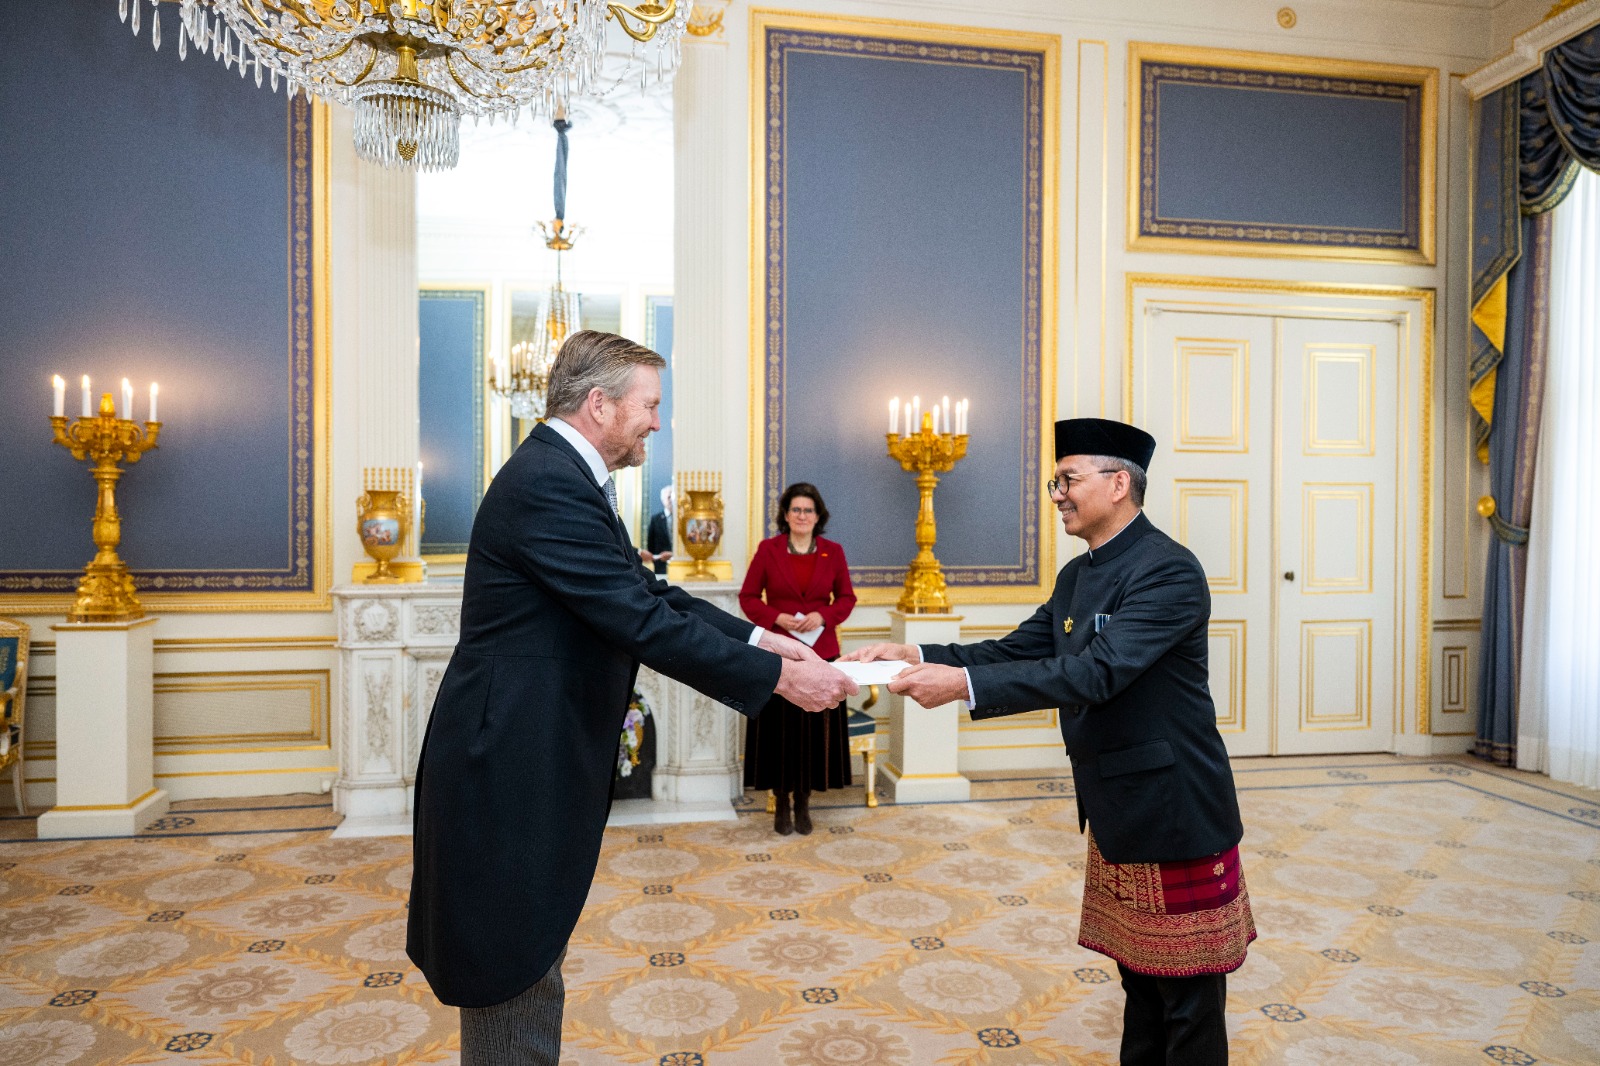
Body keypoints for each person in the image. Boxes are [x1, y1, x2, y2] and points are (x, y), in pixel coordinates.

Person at [407, 331, 856, 1065]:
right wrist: (782, 678)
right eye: (650, 406)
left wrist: (760, 642)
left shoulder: (561, 474)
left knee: (527, 955)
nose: (657, 422)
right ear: (599, 404)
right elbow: (638, 619)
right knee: (511, 962)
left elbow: (647, 591)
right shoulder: (549, 481)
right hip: (508, 760)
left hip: (526, 749)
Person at [844, 417, 1254, 1066]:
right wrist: (916, 650)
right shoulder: (1078, 575)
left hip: (1175, 810)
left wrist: (961, 686)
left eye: (1069, 479)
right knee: (1139, 982)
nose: (1057, 492)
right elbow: (1014, 651)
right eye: (1054, 480)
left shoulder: (1168, 571)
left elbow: (1097, 672)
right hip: (1119, 807)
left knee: (1189, 1001)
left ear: (1119, 483)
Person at [739, 483, 858, 835]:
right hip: (778, 654)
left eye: (808, 510)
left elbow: (846, 599)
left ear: (818, 516)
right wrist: (775, 617)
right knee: (779, 731)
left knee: (812, 733)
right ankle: (781, 802)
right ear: (785, 515)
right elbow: (748, 597)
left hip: (821, 655)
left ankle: (804, 801)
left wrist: (823, 616)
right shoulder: (768, 549)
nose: (802, 516)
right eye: (795, 510)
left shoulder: (833, 552)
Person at [643, 484, 674, 574]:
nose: (672, 500)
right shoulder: (655, 519)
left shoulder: (681, 519)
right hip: (661, 565)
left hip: (679, 565)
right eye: (669, 497)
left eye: (673, 497)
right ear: (663, 500)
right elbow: (650, 543)